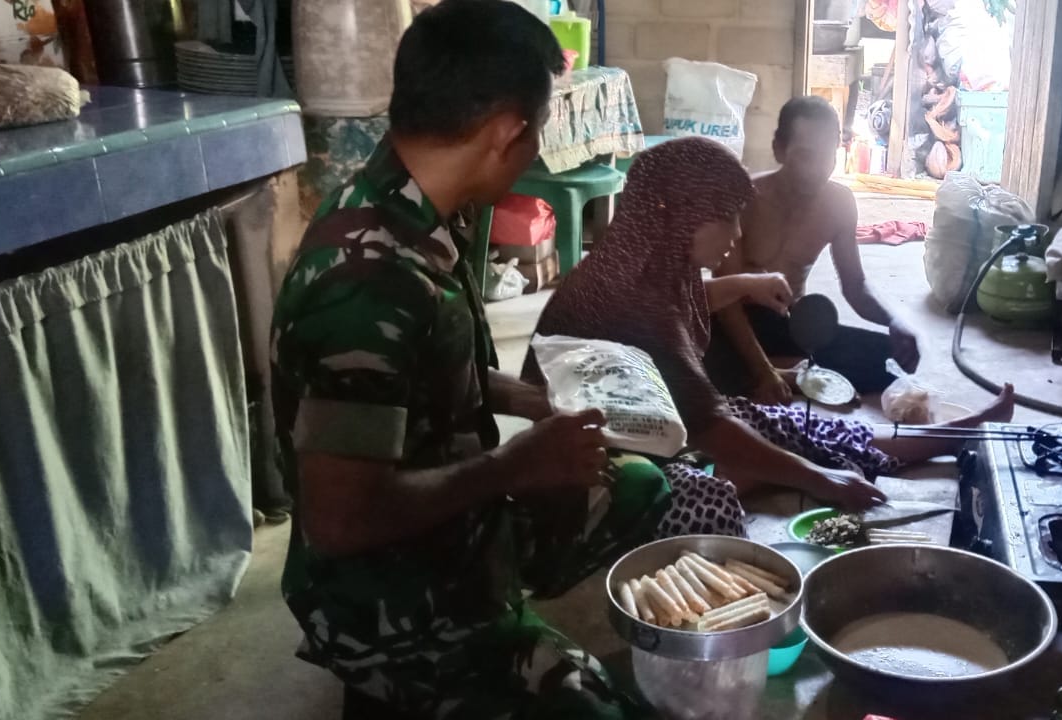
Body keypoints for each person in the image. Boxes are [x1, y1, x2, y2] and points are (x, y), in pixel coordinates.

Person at [270, 3, 656, 717]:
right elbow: (341, 520)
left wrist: (526, 399)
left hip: (449, 524)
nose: (536, 149)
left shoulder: (413, 201)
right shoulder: (368, 281)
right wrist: (515, 465)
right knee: (601, 709)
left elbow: (418, 376)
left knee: (637, 484)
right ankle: (412, 680)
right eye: (539, 129)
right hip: (386, 601)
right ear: (507, 131)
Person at [523, 137, 1018, 537]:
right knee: (709, 503)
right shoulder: (635, 299)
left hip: (653, 422)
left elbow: (693, 299)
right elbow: (708, 425)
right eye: (727, 217)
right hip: (596, 464)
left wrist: (746, 285)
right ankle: (751, 473)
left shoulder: (647, 259)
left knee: (791, 425)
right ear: (684, 215)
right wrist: (821, 481)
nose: (737, 234)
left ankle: (965, 429)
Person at [705, 95, 921, 404]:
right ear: (779, 149)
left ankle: (786, 371)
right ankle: (783, 372)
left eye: (827, 156)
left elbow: (855, 286)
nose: (817, 170)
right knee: (694, 356)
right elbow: (725, 301)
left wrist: (894, 320)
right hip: (736, 325)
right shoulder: (744, 199)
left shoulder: (839, 204)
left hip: (791, 325)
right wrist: (764, 371)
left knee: (892, 360)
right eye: (806, 156)